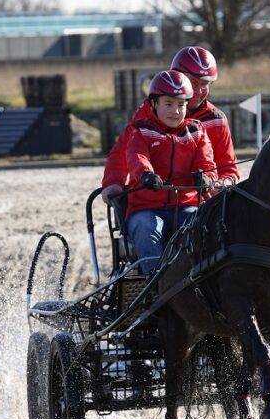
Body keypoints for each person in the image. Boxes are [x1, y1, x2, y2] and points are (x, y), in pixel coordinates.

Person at [101, 46, 238, 204]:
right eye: (193, 82)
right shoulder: (148, 112)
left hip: (199, 205)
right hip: (151, 202)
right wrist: (113, 182)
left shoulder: (217, 119)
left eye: (205, 84)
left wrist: (221, 183)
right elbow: (124, 151)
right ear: (178, 78)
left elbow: (228, 168)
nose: (199, 91)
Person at [124, 70, 217, 274]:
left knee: (202, 226)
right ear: (154, 104)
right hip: (146, 210)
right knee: (148, 229)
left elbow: (207, 162)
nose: (176, 111)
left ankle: (201, 279)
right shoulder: (140, 132)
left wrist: (206, 177)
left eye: (181, 105)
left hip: (185, 206)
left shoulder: (197, 132)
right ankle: (155, 286)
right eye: (169, 104)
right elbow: (137, 157)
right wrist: (146, 175)